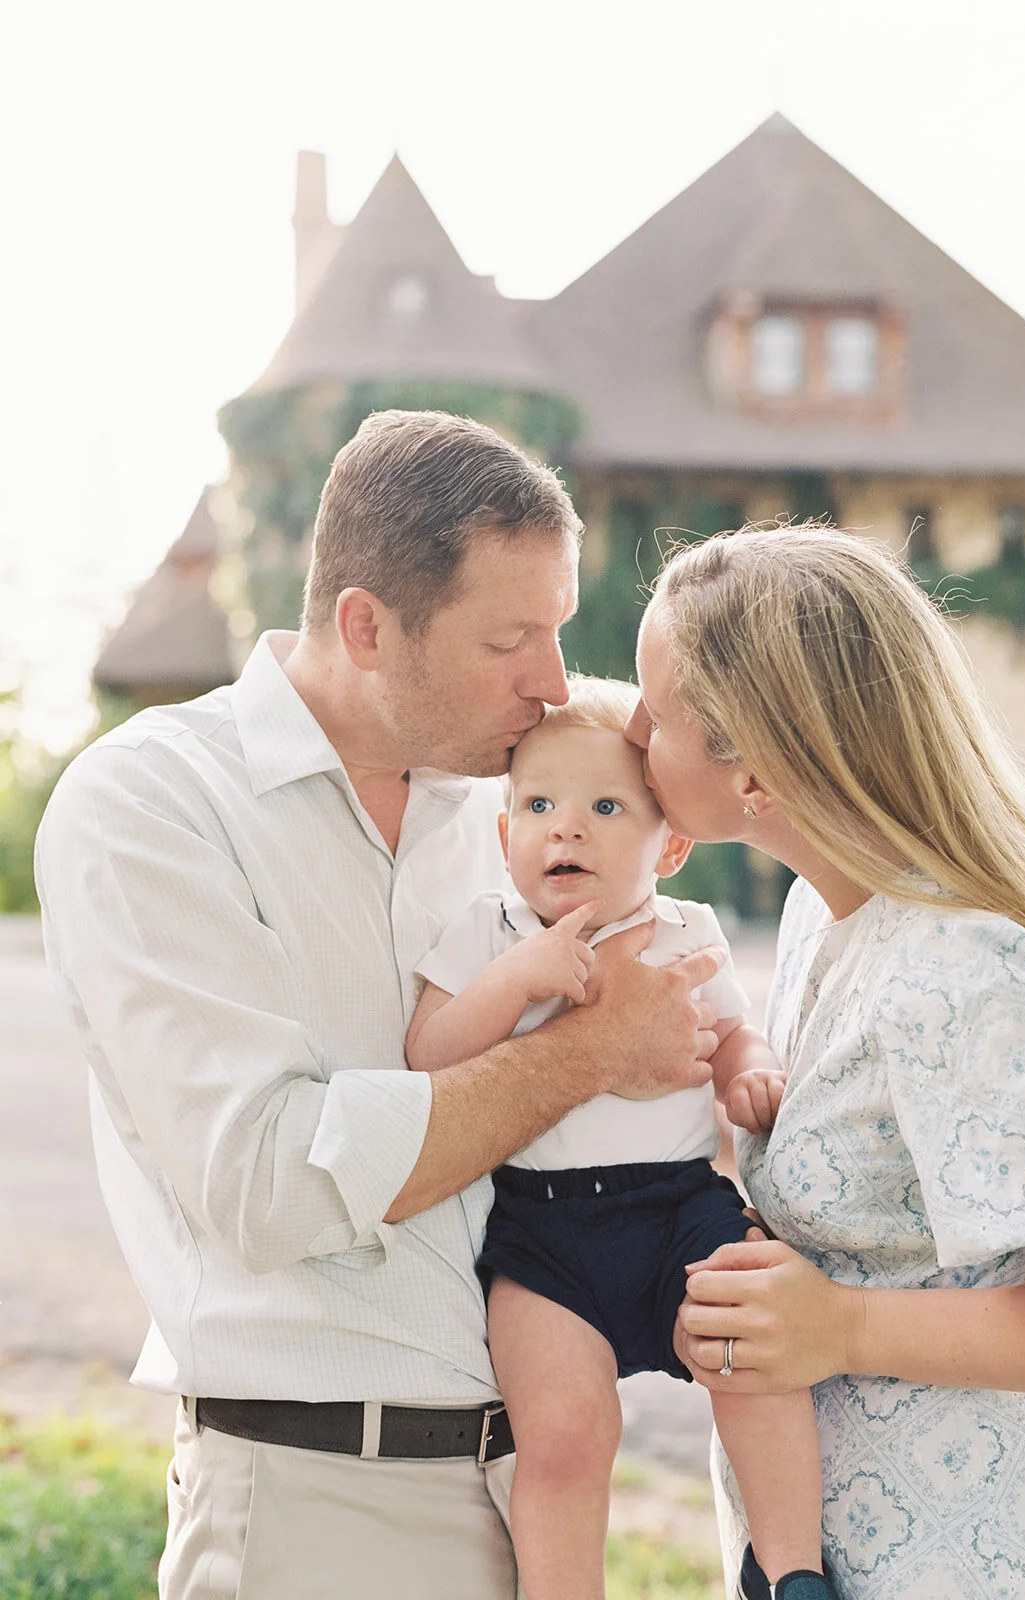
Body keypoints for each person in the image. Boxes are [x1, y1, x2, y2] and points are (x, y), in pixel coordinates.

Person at [33, 410, 727, 1600]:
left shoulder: (520, 805)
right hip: (316, 1511)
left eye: (556, 631)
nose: (554, 681)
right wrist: (591, 1050)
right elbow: (273, 1180)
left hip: (538, 1500)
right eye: (510, 638)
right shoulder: (149, 806)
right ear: (364, 625)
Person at [624, 524, 1025, 1600]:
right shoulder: (815, 919)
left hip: (974, 1564)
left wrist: (845, 1327)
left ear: (751, 767)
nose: (628, 728)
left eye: (655, 713)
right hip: (838, 1559)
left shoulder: (968, 977)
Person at [406, 675, 834, 1600]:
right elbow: (427, 1056)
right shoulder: (489, 933)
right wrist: (519, 980)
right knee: (560, 1433)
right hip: (545, 1235)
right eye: (539, 805)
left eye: (605, 806)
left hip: (678, 1205)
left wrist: (746, 1072)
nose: (566, 828)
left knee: (752, 1346)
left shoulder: (686, 930)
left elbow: (730, 1031)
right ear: (504, 831)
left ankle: (792, 1566)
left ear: (670, 843)